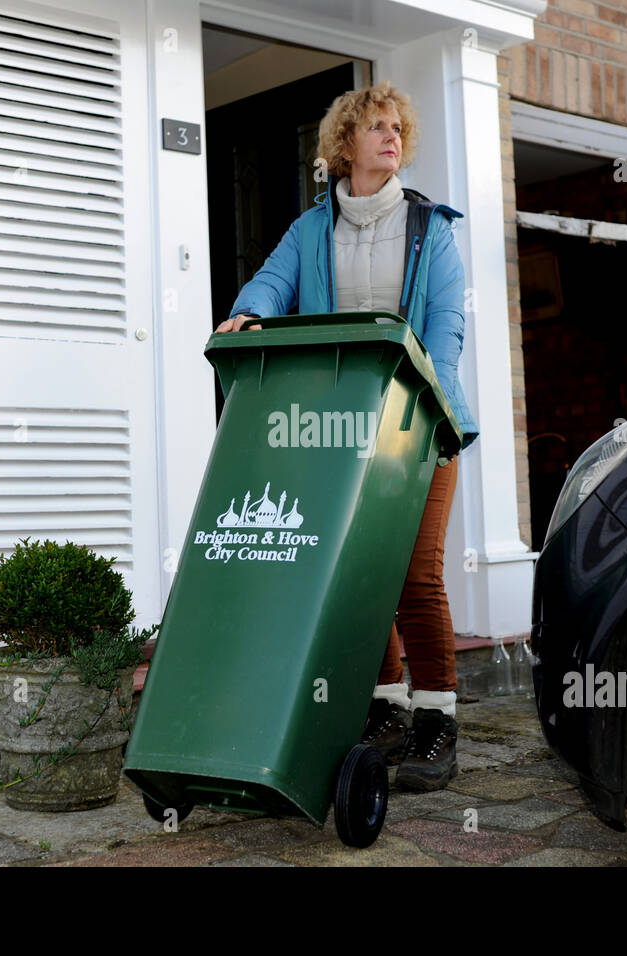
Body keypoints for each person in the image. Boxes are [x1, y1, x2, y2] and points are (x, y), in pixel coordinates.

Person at [217, 81, 479, 791]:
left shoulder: (432, 228)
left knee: (414, 572)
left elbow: (448, 328)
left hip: (418, 422)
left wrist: (425, 395)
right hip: (337, 429)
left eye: (398, 126)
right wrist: (248, 315)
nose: (391, 137)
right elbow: (272, 284)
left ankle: (437, 720)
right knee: (355, 569)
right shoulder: (311, 230)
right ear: (345, 145)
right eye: (375, 127)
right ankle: (386, 709)